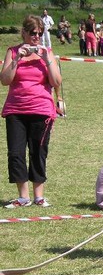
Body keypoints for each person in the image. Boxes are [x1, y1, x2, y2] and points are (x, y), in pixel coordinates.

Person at [0, 15, 62, 208]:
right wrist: (17, 58)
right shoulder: (12, 51)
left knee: (38, 152)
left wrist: (46, 59)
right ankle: (23, 197)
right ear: (24, 32)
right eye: (33, 33)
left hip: (41, 110)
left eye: (40, 33)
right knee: (16, 153)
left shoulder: (47, 52)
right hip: (15, 110)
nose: (37, 37)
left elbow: (56, 82)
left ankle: (39, 196)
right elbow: (5, 80)